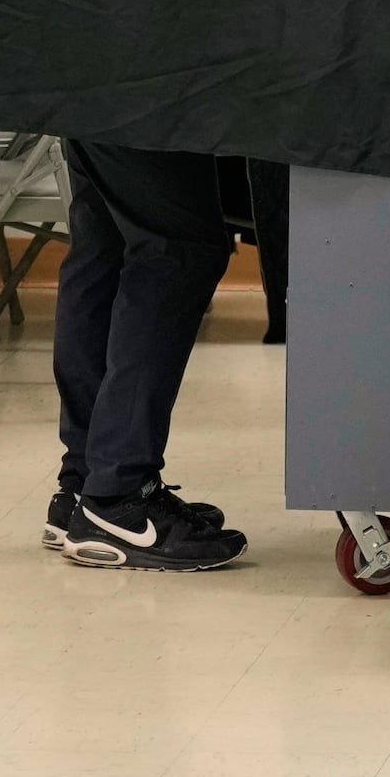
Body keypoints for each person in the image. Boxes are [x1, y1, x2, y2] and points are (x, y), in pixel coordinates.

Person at [43, 145, 248, 571]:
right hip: (149, 88)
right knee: (176, 247)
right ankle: (118, 497)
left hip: (79, 82)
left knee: (105, 241)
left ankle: (84, 484)